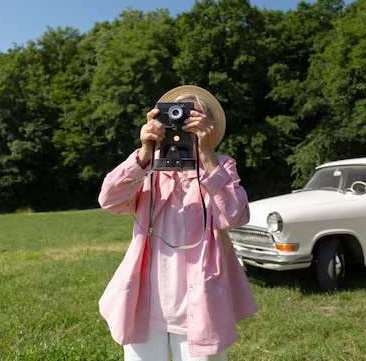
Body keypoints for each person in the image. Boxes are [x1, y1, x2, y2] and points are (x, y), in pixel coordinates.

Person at [98, 85, 258, 361]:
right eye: (176, 117)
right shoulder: (148, 166)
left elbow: (234, 217)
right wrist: (144, 153)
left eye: (191, 117)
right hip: (145, 307)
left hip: (201, 307)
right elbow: (109, 201)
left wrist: (207, 156)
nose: (182, 125)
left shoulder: (221, 166)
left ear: (207, 124)